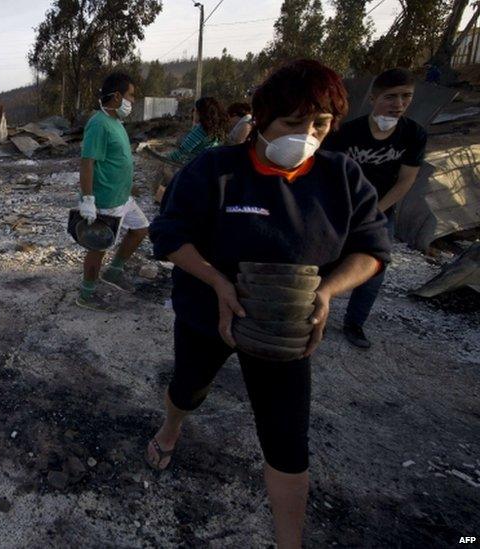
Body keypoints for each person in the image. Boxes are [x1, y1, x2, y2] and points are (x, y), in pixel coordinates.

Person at [147, 59, 391, 548]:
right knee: (189, 386)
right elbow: (169, 234)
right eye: (292, 123)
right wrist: (217, 281)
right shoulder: (216, 170)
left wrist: (326, 291)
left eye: (320, 125)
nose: (307, 134)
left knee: (286, 439)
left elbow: (371, 249)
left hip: (286, 326)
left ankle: (288, 542)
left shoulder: (340, 176)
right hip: (207, 313)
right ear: (261, 119)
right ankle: (171, 428)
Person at [322, 68, 426, 349]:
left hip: (380, 212)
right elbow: (329, 175)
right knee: (323, 263)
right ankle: (312, 312)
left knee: (372, 269)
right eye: (391, 97)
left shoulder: (413, 134)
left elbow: (406, 181)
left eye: (406, 97)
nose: (399, 104)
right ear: (373, 98)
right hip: (341, 210)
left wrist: (374, 211)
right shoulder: (347, 133)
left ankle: (354, 324)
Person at [75, 72, 149, 311]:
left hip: (122, 197)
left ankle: (114, 271)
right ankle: (86, 294)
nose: (133, 101)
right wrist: (88, 199)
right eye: (131, 95)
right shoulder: (98, 123)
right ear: (117, 96)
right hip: (106, 200)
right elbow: (88, 162)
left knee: (140, 229)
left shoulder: (115, 122)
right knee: (98, 248)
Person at [151, 97, 228, 202]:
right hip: (208, 172)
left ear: (201, 113)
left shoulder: (200, 130)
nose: (193, 113)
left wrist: (163, 160)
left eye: (195, 110)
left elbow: (182, 151)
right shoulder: (217, 131)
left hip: (194, 172)